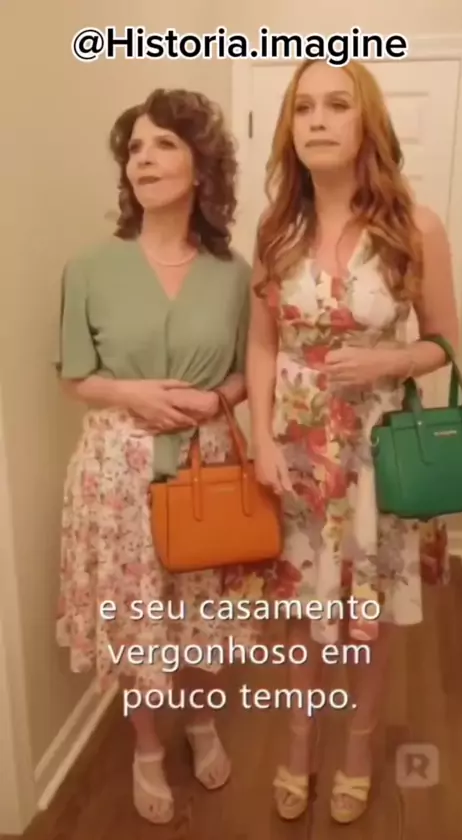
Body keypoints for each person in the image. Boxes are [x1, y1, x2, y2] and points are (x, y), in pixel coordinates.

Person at [246, 58, 458, 824]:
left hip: (376, 455)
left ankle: (360, 749)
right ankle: (300, 745)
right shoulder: (276, 230)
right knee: (300, 613)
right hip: (297, 453)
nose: (318, 120)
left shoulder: (414, 227)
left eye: (337, 104)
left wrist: (390, 360)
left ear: (366, 120)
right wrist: (260, 440)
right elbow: (262, 344)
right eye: (303, 108)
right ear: (289, 129)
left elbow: (444, 342)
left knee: (368, 614)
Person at [54, 88, 264, 825]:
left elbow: (247, 371)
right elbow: (74, 376)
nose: (143, 159)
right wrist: (132, 392)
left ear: (202, 167)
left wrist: (218, 400)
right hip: (118, 472)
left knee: (205, 608)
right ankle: (147, 745)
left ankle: (200, 720)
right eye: (134, 148)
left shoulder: (235, 274)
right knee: (137, 614)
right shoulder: (89, 268)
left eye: (164, 145)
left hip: (209, 465)